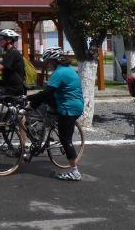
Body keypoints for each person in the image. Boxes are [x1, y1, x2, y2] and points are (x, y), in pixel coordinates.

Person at [28, 47, 84, 181]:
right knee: (42, 101)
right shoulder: (66, 69)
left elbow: (46, 92)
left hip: (69, 108)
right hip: (66, 103)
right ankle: (43, 132)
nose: (48, 65)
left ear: (54, 61)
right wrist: (32, 103)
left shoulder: (60, 72)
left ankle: (75, 172)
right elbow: (48, 93)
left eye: (48, 62)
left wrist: (28, 99)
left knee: (65, 140)